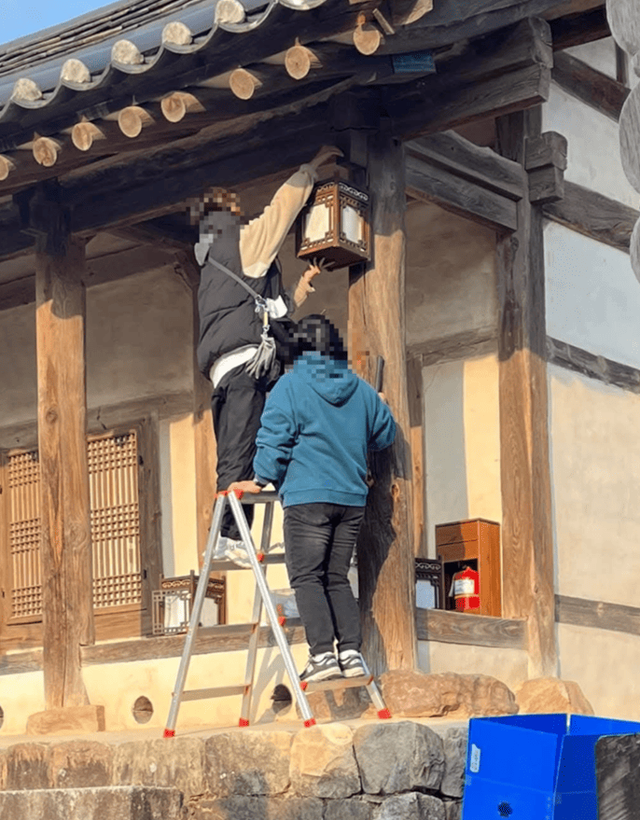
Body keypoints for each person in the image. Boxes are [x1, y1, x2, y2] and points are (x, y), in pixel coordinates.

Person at [190, 147, 341, 560]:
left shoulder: (211, 267)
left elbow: (258, 309)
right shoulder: (240, 243)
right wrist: (311, 168)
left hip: (224, 370)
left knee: (237, 450)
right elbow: (281, 211)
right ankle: (230, 538)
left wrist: (298, 291)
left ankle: (229, 536)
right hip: (246, 368)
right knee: (243, 453)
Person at [229, 315, 396, 683]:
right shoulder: (361, 389)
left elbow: (274, 436)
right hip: (351, 499)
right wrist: (378, 407)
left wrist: (260, 478)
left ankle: (322, 655)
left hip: (307, 498)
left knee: (307, 578)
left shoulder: (290, 386)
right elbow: (385, 434)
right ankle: (350, 653)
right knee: (336, 577)